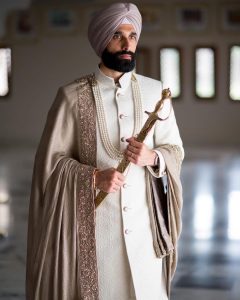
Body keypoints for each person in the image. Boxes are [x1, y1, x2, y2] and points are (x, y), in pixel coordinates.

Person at [26, 3, 184, 300]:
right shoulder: (71, 97)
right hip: (95, 235)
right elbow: (50, 165)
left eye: (133, 35)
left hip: (146, 237)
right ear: (101, 40)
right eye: (117, 35)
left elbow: (175, 149)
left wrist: (153, 157)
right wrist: (94, 177)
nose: (127, 44)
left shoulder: (156, 92)